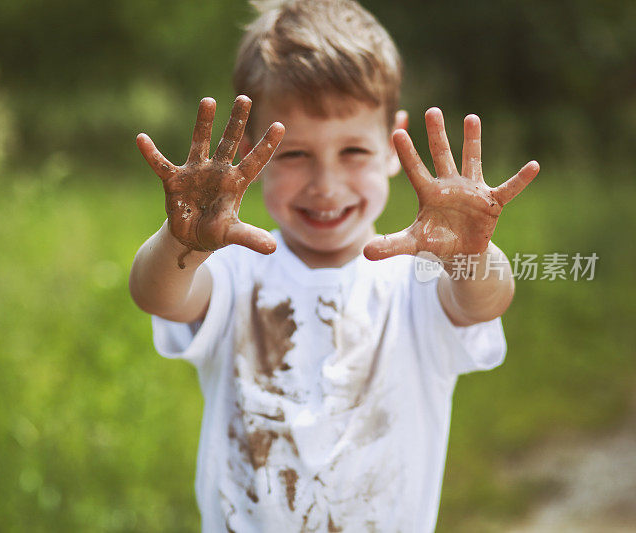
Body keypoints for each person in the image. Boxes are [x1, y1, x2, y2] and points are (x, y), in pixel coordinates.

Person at [129, 0, 539, 531]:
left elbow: (487, 298)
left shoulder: (416, 280)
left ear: (394, 145)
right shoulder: (235, 272)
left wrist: (469, 255)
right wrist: (181, 241)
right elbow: (157, 294)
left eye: (353, 152)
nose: (326, 184)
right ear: (252, 155)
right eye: (294, 155)